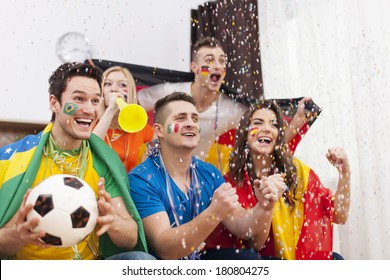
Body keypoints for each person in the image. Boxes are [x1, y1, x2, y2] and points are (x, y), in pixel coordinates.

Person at [0, 62, 154, 260]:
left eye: (95, 101)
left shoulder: (103, 161)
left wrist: (113, 221)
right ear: (54, 103)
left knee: (141, 261)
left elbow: (130, 238)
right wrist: (16, 236)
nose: (89, 110)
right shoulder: (14, 159)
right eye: (79, 99)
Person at [129, 92, 285, 260]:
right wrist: (214, 213)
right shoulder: (142, 179)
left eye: (195, 119)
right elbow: (165, 249)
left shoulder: (208, 172)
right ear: (159, 130)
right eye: (181, 118)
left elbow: (242, 227)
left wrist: (264, 206)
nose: (191, 124)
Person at [204, 100, 351, 260]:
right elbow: (257, 244)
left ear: (278, 137)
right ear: (245, 134)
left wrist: (344, 173)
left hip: (296, 258)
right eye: (258, 123)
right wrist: (266, 204)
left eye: (273, 125)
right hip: (252, 261)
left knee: (336, 260)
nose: (266, 128)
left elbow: (339, 215)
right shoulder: (233, 181)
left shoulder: (298, 171)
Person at [138, 36, 312, 170]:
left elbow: (269, 137)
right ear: (195, 68)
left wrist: (298, 120)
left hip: (192, 179)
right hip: (156, 172)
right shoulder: (169, 92)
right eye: (209, 60)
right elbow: (131, 101)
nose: (217, 66)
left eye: (221, 61)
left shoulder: (231, 109)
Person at [93, 66, 156, 173]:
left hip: (127, 188)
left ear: (130, 92)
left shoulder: (138, 125)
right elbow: (91, 148)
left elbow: (163, 147)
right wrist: (111, 110)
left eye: (122, 85)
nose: (114, 89)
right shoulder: (90, 122)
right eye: (107, 84)